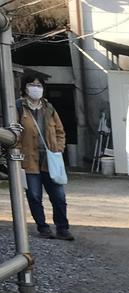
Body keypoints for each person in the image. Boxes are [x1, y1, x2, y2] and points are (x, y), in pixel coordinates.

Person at [17, 72, 73, 241]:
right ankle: (43, 227)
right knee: (34, 196)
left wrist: (59, 149)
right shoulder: (18, 107)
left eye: (39, 85)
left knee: (59, 196)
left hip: (50, 160)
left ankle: (63, 228)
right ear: (25, 88)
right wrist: (18, 153)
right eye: (32, 85)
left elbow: (60, 131)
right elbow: (14, 133)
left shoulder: (48, 108)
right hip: (29, 160)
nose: (36, 88)